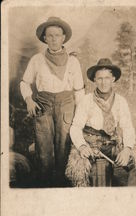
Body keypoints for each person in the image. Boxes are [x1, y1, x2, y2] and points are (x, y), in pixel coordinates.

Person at [20, 17, 85, 187]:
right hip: (43, 105)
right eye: (50, 35)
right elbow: (24, 82)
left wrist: (81, 114)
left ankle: (62, 185)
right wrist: (29, 99)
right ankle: (45, 185)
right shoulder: (37, 59)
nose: (54, 39)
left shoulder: (73, 61)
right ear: (45, 38)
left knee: (64, 145)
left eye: (57, 35)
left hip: (67, 105)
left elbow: (79, 90)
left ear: (64, 37)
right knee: (44, 147)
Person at [65, 58, 136, 187]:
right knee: (99, 172)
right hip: (92, 145)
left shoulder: (120, 101)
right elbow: (76, 127)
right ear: (94, 80)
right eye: (99, 78)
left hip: (112, 143)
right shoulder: (86, 101)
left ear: (113, 79)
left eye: (107, 78)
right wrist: (82, 146)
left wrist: (127, 149)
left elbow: (127, 127)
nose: (103, 82)